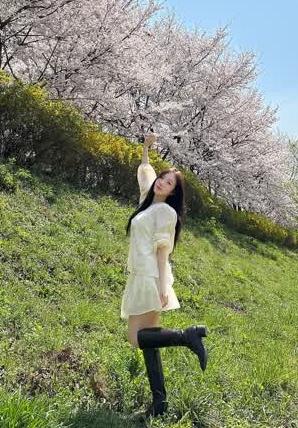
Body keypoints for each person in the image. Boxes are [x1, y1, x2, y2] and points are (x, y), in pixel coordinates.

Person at [121, 132, 208, 420]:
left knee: (136, 338)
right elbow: (145, 176)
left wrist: (161, 286)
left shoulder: (166, 213)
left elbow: (163, 251)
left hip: (150, 275)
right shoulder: (148, 202)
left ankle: (187, 336)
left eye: (169, 183)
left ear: (173, 192)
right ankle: (160, 404)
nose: (161, 182)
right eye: (162, 178)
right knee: (150, 341)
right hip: (141, 274)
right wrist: (146, 149)